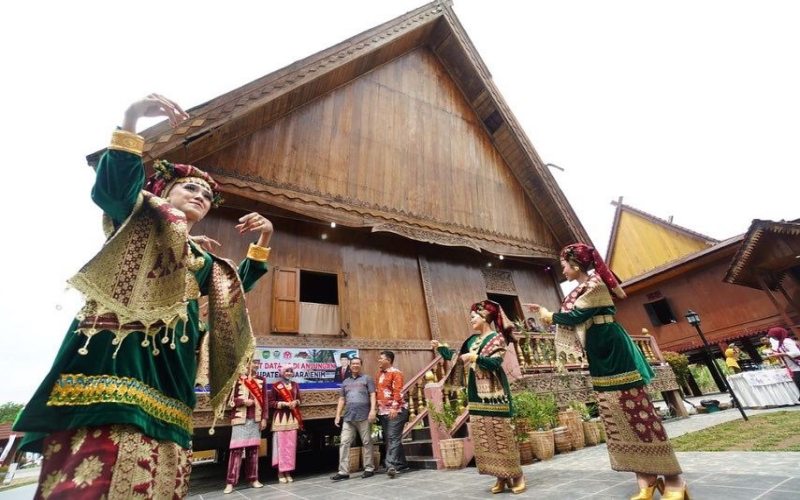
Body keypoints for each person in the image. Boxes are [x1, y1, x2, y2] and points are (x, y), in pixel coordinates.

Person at [13, 94, 273, 499]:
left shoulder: (200, 257)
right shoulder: (138, 218)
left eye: (206, 195)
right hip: (121, 350)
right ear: (164, 191)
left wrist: (264, 240)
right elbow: (113, 189)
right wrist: (131, 120)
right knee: (107, 444)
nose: (200, 196)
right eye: (189, 187)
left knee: (165, 456)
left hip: (172, 367)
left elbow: (232, 290)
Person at [525, 243, 688, 500]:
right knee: (615, 411)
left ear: (576, 265)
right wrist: (550, 315)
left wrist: (548, 316)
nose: (563, 270)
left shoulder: (595, 285)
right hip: (598, 349)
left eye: (565, 266)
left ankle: (674, 478)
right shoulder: (579, 289)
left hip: (613, 347)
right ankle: (645, 478)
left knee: (638, 411)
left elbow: (576, 316)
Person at [431, 300, 525, 494]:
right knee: (485, 437)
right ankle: (500, 476)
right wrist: (441, 348)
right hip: (476, 394)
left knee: (502, 435)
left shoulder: (497, 338)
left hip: (496, 393)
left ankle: (517, 475)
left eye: (473, 317)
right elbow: (457, 358)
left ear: (485, 317)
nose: (471, 320)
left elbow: (494, 363)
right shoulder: (471, 341)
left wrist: (475, 358)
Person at [224, 359, 268, 494]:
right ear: (246, 364)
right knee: (236, 451)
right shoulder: (237, 379)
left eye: (258, 362)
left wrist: (264, 418)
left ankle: (253, 479)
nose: (256, 365)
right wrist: (243, 401)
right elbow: (228, 400)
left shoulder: (261, 379)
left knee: (254, 451)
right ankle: (230, 482)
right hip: (239, 419)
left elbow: (265, 400)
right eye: (254, 362)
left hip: (255, 419)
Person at [331, 357, 376, 481]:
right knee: (344, 443)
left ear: (361, 365)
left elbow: (373, 394)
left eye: (357, 363)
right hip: (348, 416)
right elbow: (342, 399)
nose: (355, 365)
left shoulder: (367, 378)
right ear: (350, 366)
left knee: (366, 442)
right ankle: (343, 471)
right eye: (353, 364)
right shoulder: (345, 382)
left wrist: (373, 410)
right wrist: (337, 415)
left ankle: (369, 468)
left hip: (364, 415)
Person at [375, 350, 409, 478]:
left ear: (388, 360)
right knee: (390, 437)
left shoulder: (396, 373)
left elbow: (398, 392)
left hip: (396, 410)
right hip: (383, 411)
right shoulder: (379, 374)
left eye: (381, 358)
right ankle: (402, 464)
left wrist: (394, 408)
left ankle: (390, 465)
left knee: (393, 437)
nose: (379, 360)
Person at [270, 364, 302, 483]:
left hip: (292, 419)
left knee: (290, 446)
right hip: (280, 419)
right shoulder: (276, 386)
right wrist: (284, 404)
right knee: (280, 446)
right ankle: (280, 472)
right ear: (282, 373)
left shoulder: (295, 385)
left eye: (290, 371)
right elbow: (271, 402)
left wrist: (296, 402)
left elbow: (299, 399)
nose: (288, 373)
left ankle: (288, 471)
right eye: (286, 371)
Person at [764, 327, 800, 397]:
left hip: (797, 366)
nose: (773, 338)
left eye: (774, 336)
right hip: (793, 368)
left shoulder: (786, 341)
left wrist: (781, 354)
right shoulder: (781, 342)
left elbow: (797, 352)